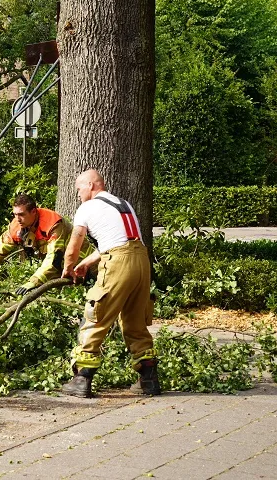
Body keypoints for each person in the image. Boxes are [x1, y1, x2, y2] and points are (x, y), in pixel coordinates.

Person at [60, 169, 159, 398]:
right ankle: (149, 381)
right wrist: (87, 262)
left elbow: (74, 243)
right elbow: (120, 241)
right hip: (141, 261)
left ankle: (81, 379)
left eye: (79, 188)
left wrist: (68, 267)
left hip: (118, 263)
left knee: (96, 316)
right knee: (135, 323)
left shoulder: (87, 207)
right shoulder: (123, 204)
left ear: (92, 185)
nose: (77, 194)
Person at [0, 194, 93, 296]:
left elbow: (54, 258)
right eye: (15, 214)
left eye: (21, 214)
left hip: (85, 265)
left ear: (33, 211)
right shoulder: (16, 226)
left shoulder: (53, 224)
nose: (17, 219)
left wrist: (33, 282)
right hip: (60, 271)